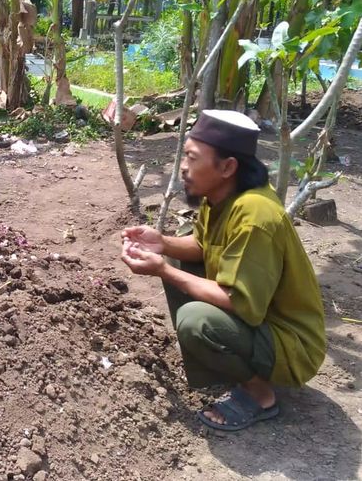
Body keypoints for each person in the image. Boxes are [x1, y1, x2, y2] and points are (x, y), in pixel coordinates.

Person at [120, 110, 326, 431]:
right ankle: (223, 369)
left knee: (195, 321)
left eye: (192, 158)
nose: (183, 167)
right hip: (262, 324)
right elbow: (202, 247)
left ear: (228, 167)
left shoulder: (255, 215)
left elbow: (235, 300)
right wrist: (161, 243)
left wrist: (161, 269)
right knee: (178, 261)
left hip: (291, 344)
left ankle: (260, 395)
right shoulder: (220, 196)